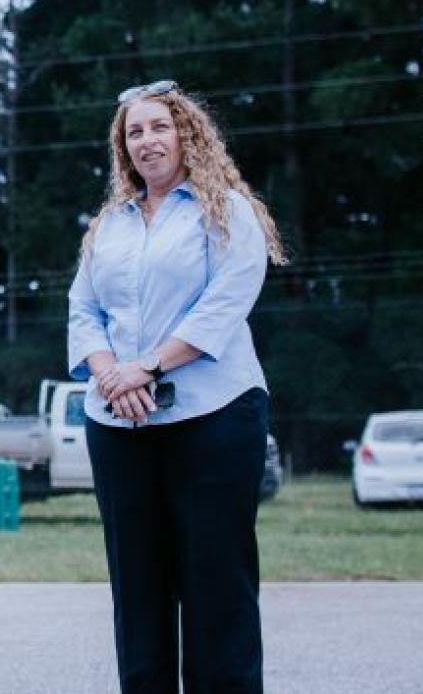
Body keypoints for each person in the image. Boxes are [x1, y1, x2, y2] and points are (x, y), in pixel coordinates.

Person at [67, 80, 287, 693]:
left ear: (186, 134)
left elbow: (225, 303)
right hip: (119, 421)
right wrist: (111, 371)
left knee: (216, 581)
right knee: (137, 585)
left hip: (215, 414)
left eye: (159, 127)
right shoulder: (109, 224)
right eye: (134, 132)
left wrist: (150, 366)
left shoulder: (227, 210)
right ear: (123, 148)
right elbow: (82, 308)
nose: (147, 140)